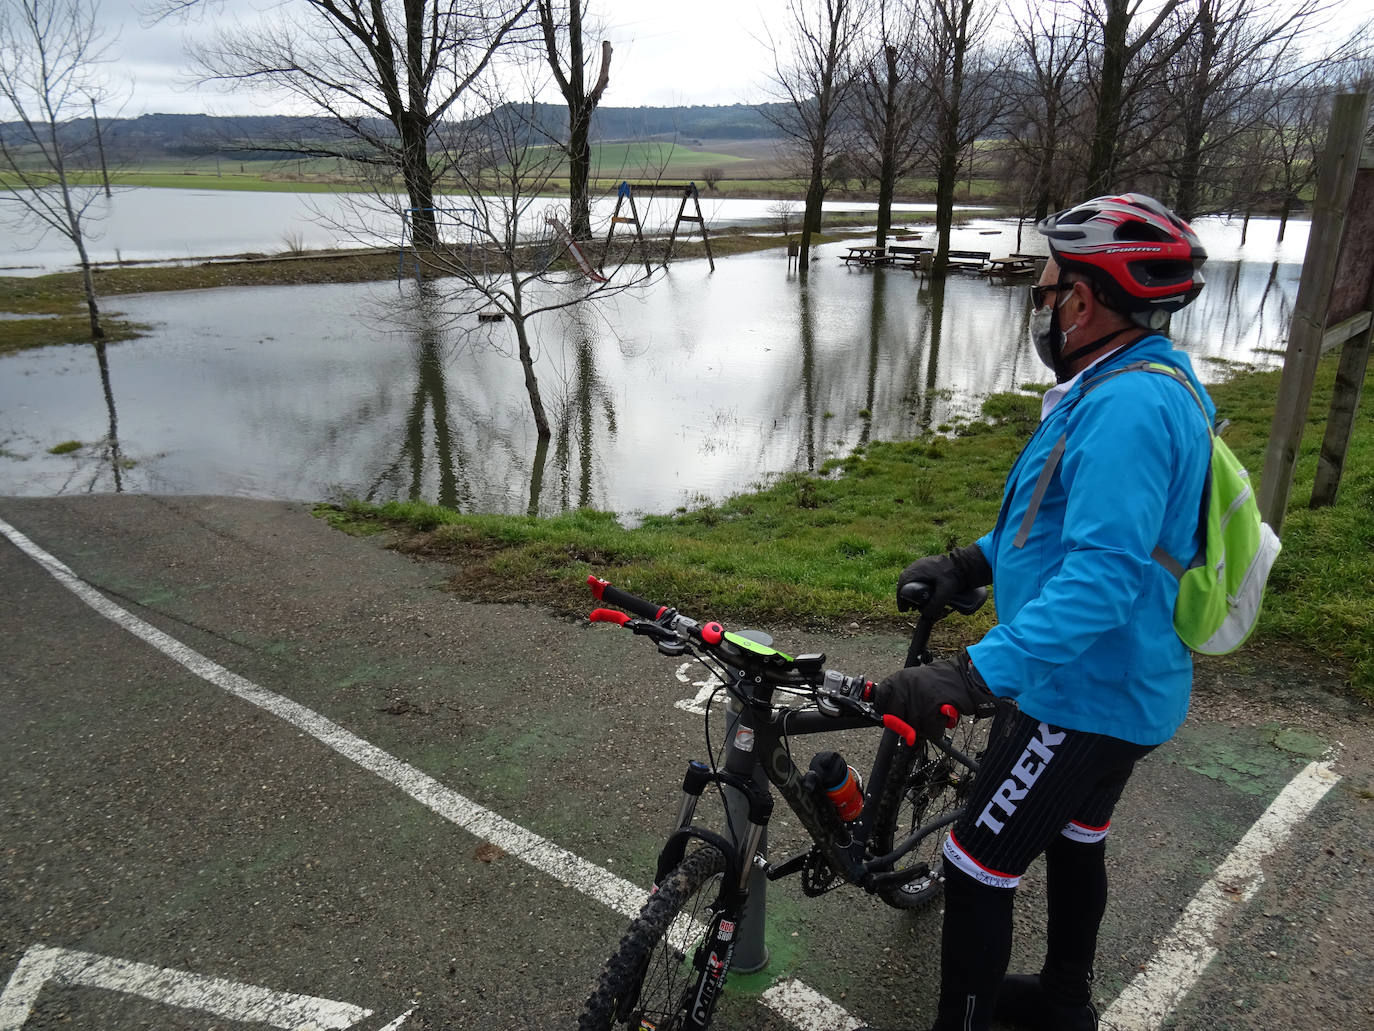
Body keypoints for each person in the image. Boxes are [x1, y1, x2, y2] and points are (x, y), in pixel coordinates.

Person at [867, 193, 1214, 1031]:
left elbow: (1100, 579)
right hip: (1124, 683)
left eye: (1045, 290)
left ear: (1085, 302)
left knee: (978, 860)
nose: (1041, 306)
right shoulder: (1131, 379)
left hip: (1083, 693)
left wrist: (975, 672)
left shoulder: (1128, 407)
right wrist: (973, 561)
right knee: (1076, 832)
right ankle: (1063, 1003)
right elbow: (1057, 523)